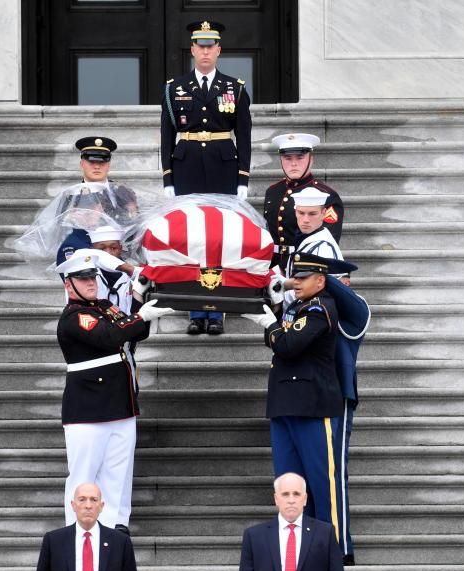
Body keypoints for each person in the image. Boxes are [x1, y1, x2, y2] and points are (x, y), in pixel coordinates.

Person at [243, 253, 359, 564]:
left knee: (323, 482)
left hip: (313, 405)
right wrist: (276, 309)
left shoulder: (321, 308)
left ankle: (335, 547)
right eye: (296, 277)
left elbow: (289, 345)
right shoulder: (300, 308)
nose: (296, 283)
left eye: (303, 278)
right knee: (290, 481)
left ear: (320, 281)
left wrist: (269, 323)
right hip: (285, 404)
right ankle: (302, 544)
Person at [55, 249, 173, 533]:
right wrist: (140, 315)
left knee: (118, 473)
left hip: (120, 405)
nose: (91, 282)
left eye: (92, 277)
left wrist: (138, 299)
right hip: (89, 410)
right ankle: (77, 528)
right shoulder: (75, 317)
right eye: (82, 279)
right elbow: (110, 337)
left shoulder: (104, 306)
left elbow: (135, 331)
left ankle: (116, 524)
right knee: (84, 474)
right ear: (68, 284)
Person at [160, 19, 252, 336]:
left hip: (223, 168)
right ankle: (195, 310)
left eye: (210, 46)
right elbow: (166, 137)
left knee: (219, 240)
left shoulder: (235, 88)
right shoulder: (175, 88)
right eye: (200, 46)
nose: (205, 51)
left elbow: (245, 136)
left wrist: (242, 179)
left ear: (219, 50)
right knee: (191, 241)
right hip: (186, 169)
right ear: (192, 50)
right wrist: (168, 180)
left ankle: (217, 311)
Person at [262, 133, 344, 270]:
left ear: (311, 159)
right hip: (271, 267)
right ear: (281, 160)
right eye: (287, 158)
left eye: (300, 158)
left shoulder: (326, 195)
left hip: (304, 268)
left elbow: (325, 242)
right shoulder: (273, 191)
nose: (293, 164)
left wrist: (282, 270)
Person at [56, 136, 139, 262]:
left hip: (120, 259)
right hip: (84, 260)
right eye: (92, 162)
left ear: (108, 165)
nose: (97, 166)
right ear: (82, 164)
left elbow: (134, 227)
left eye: (102, 162)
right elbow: (62, 232)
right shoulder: (71, 196)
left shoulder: (123, 192)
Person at [279, 187, 350, 306]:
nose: (306, 220)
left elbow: (315, 290)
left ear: (323, 213)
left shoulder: (324, 246)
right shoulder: (306, 237)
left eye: (312, 214)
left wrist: (277, 293)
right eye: (301, 213)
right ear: (295, 211)